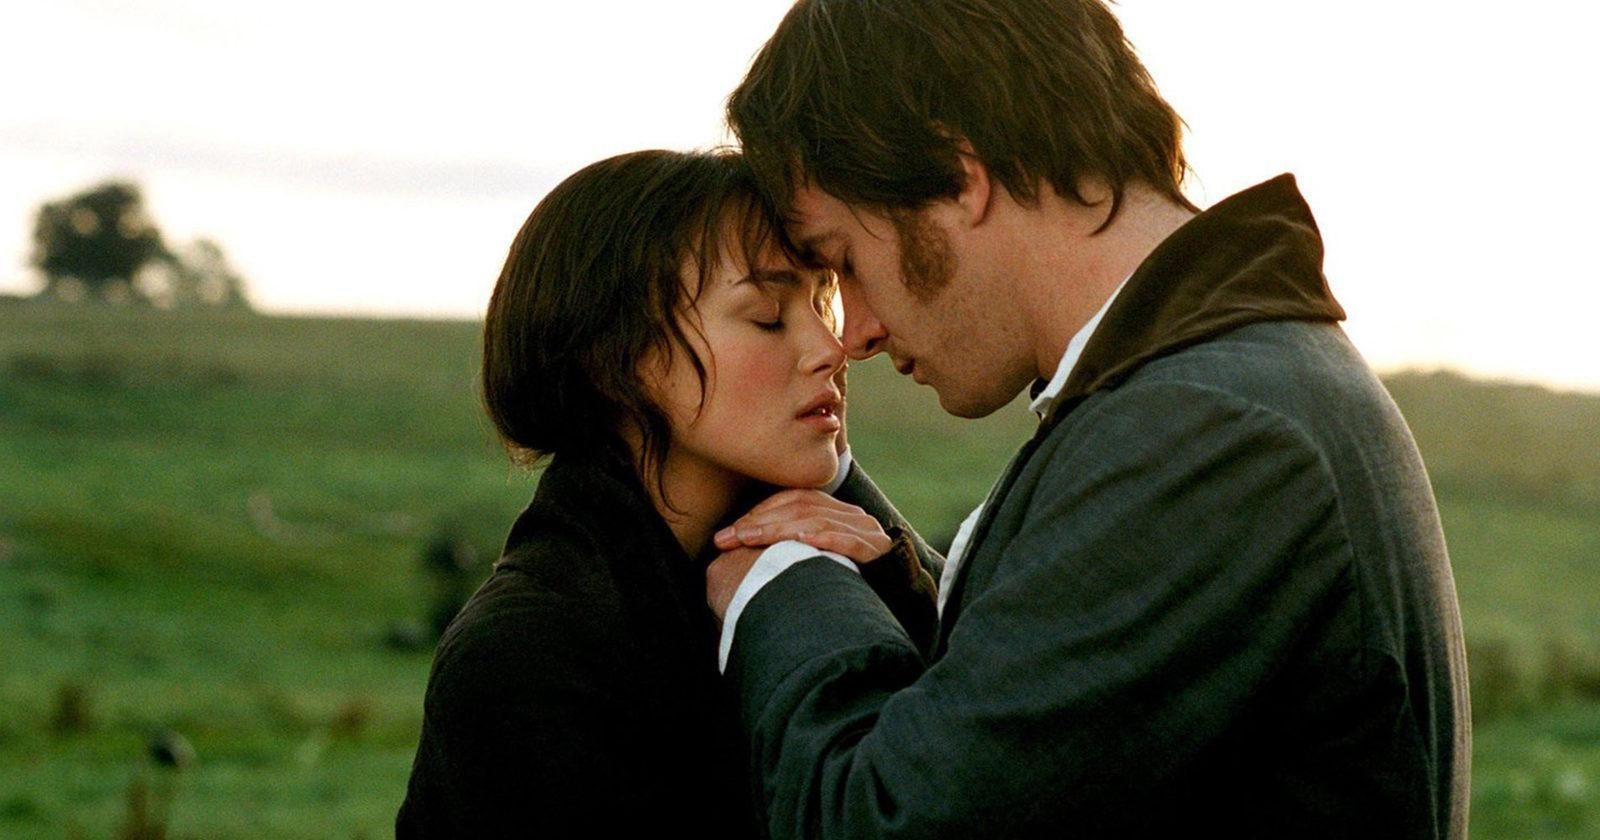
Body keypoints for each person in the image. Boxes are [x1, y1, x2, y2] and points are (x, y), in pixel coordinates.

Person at [706, 0, 1472, 836]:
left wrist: (785, 583)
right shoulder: (1231, 382)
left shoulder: (1208, 433)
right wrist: (897, 581)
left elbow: (884, 821)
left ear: (958, 175)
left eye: (844, 261)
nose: (855, 333)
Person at [395, 149, 938, 837]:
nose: (830, 348)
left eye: (819, 303)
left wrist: (890, 570)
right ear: (619, 360)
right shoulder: (528, 657)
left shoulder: (801, 552)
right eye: (768, 316)